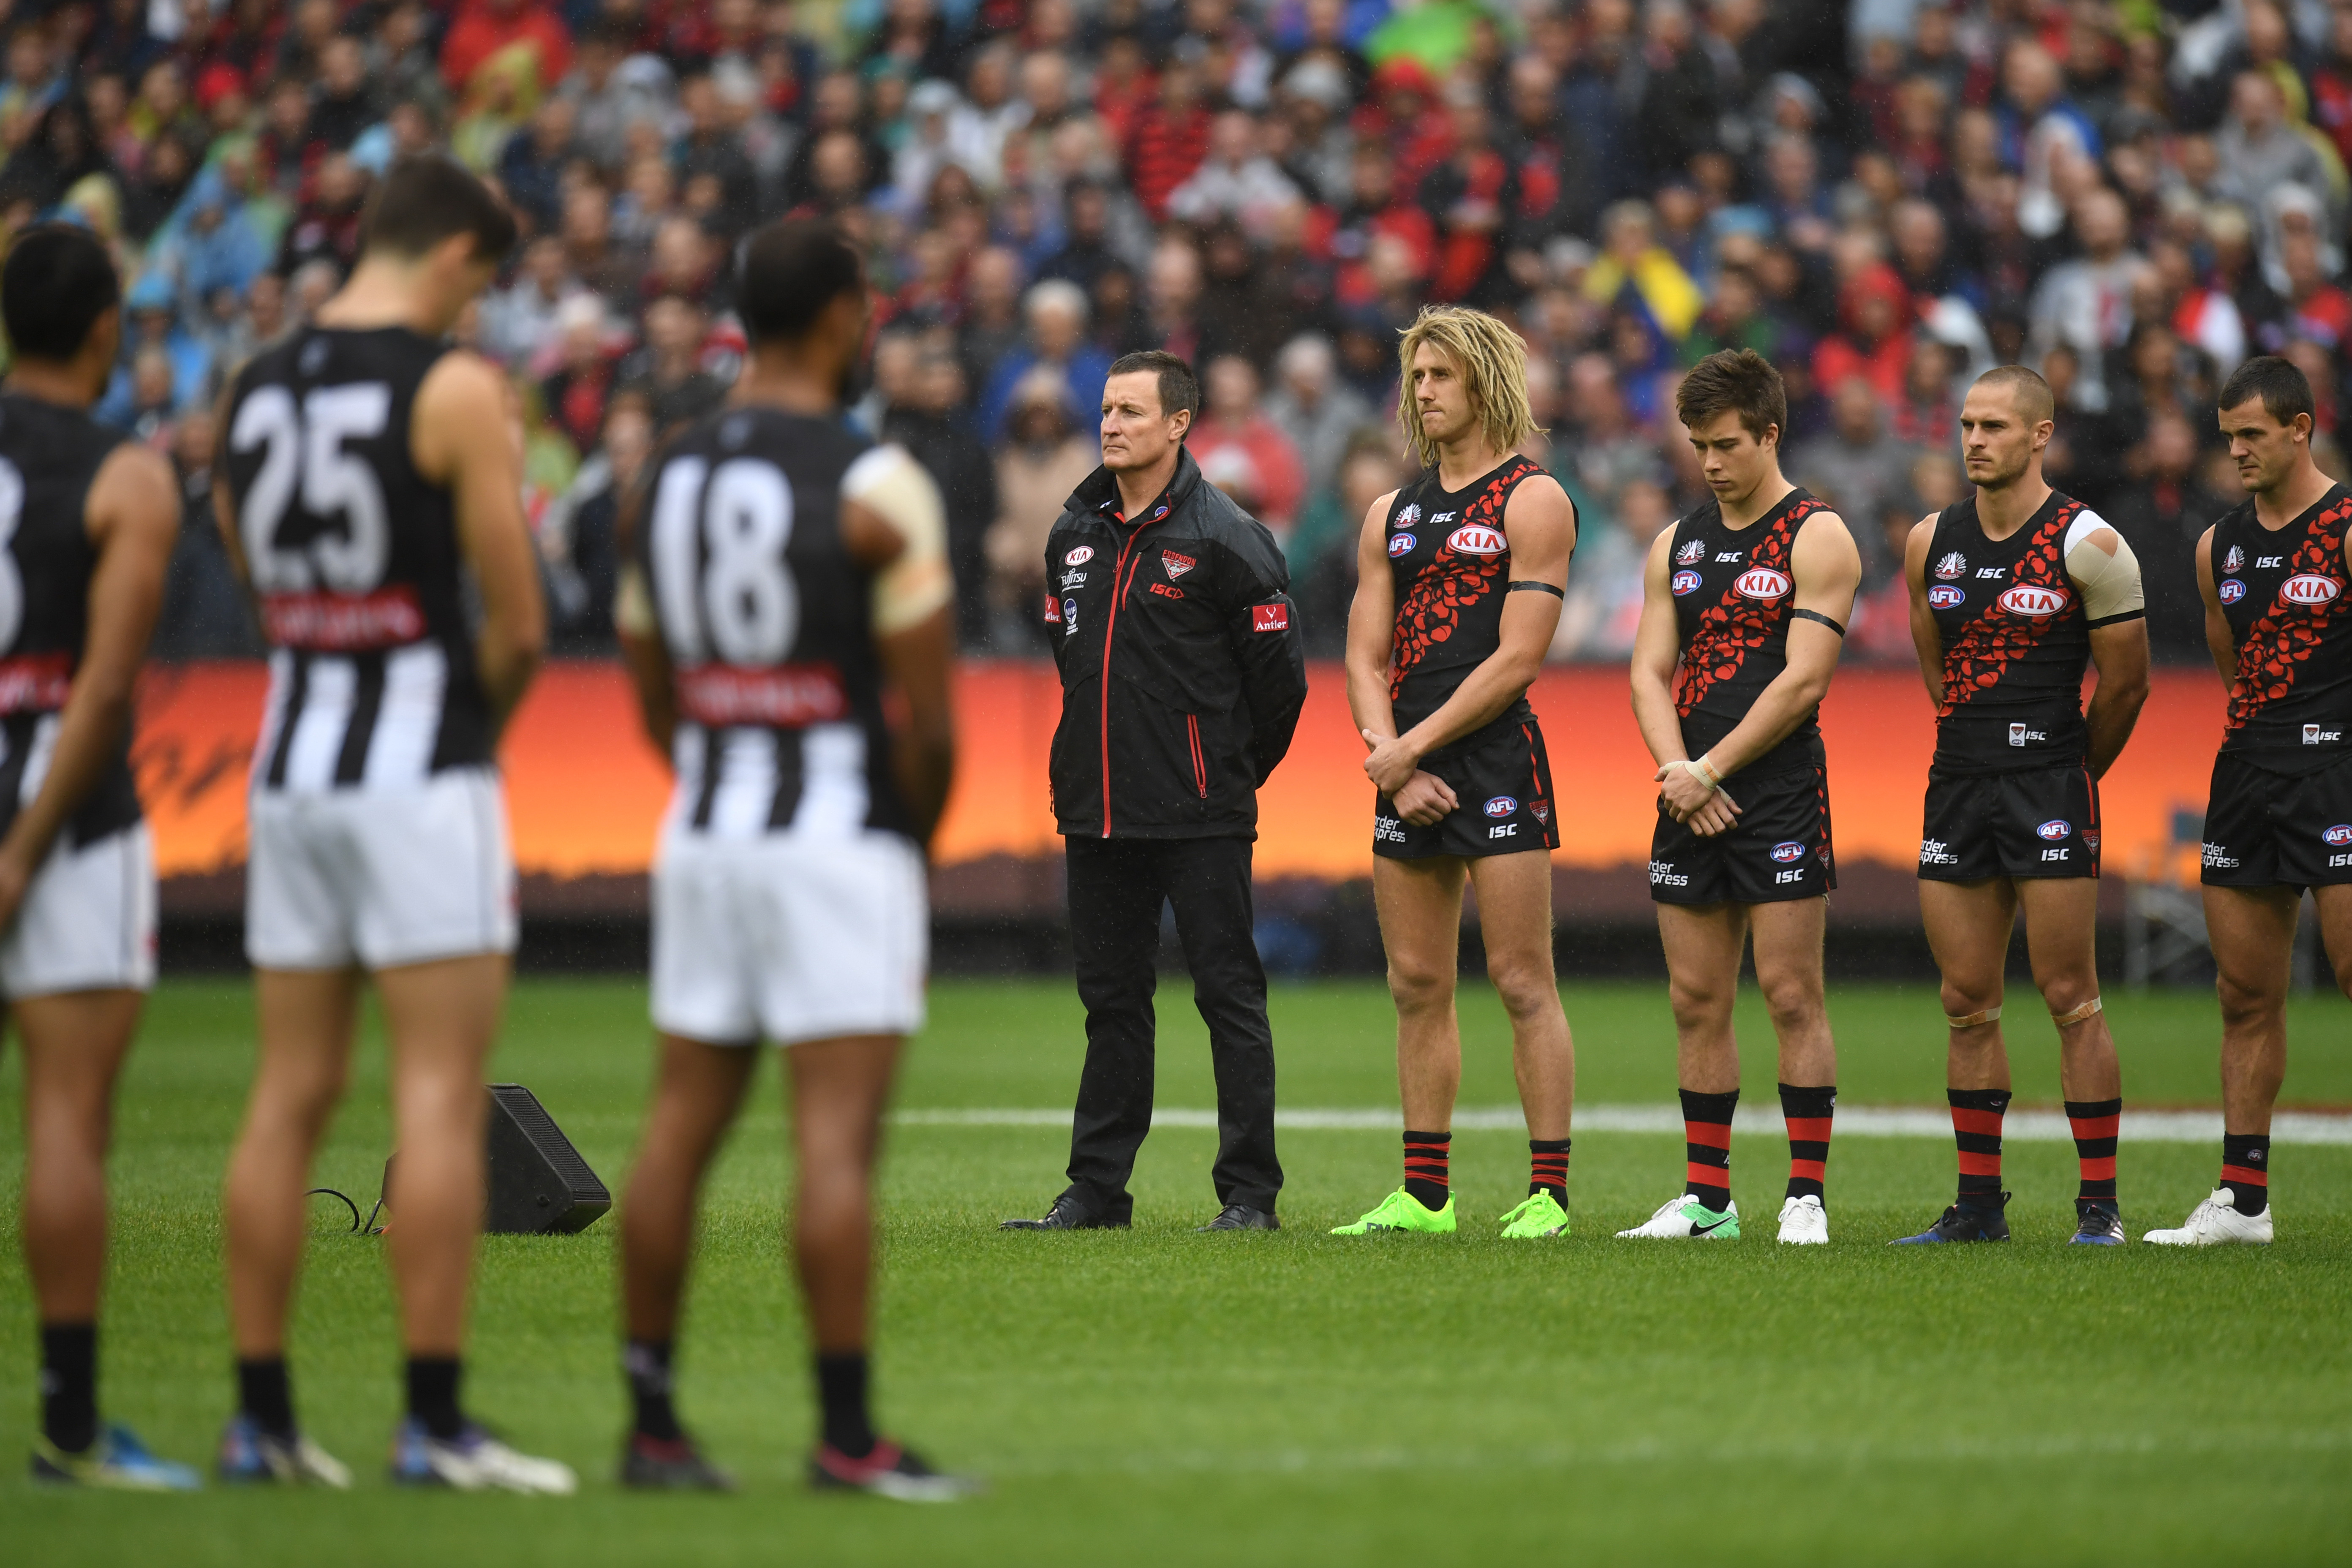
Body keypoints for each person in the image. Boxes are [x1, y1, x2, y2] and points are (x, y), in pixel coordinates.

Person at [212, 155, 567, 1490]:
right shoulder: (453, 387)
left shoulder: (252, 388)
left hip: (292, 765)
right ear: (454, 253)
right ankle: (433, 1425)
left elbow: (254, 578)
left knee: (286, 1095)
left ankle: (261, 1421)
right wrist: (466, 726)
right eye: (481, 277)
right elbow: (520, 619)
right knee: (433, 1092)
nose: (479, 307)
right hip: (421, 770)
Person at [612, 218, 972, 1497]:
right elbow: (932, 724)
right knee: (833, 1148)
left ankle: (651, 1428)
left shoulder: (666, 474)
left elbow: (651, 690)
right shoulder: (878, 483)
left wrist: (718, 769)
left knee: (676, 1133)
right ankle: (845, 1436)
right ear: (841, 317)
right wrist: (906, 844)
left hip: (708, 826)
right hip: (837, 837)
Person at [1001, 349, 1307, 1233]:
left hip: (1202, 813)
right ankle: (1097, 1190)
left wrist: (1221, 774)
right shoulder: (1073, 532)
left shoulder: (1229, 537)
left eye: (1131, 411)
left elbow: (1279, 687)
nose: (1110, 424)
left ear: (1180, 425)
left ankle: (1250, 1195)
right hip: (1096, 809)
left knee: (1229, 998)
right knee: (1112, 1004)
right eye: (1106, 409)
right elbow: (1070, 659)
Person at [0, 226, 188, 1488]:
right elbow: (104, 688)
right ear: (108, 330)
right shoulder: (128, 477)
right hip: (70, 828)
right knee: (67, 1119)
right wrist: (23, 852)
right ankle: (71, 1429)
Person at [1332, 305, 1579, 1239]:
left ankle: (1548, 1194)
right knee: (1416, 982)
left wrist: (1410, 747)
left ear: (1484, 381)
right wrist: (1392, 766)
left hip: (1497, 758)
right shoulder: (1390, 514)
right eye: (1417, 377)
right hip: (1405, 767)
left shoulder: (1533, 499)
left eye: (1440, 375)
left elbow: (1519, 659)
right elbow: (1362, 657)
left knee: (1523, 978)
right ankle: (1426, 1195)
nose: (1422, 391)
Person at [1890, 366, 2151, 1248]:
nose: (1974, 441)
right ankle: (1977, 1207)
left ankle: (2100, 1208)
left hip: (2048, 784)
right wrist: (1972, 732)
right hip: (1958, 782)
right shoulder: (1933, 539)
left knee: (2071, 994)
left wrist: (2072, 770)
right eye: (1966, 424)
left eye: (1994, 426)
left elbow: (2127, 684)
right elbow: (1934, 654)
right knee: (1965, 997)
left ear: (2040, 435)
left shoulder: (2090, 542)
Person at [1620, 349, 1861, 1244]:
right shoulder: (1675, 544)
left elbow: (1804, 682)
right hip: (1688, 793)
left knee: (1793, 991)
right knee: (1696, 997)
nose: (1710, 462)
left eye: (1726, 444)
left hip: (1779, 791)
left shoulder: (1818, 535)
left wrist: (1710, 770)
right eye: (1697, 446)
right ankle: (1709, 1201)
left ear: (1771, 432)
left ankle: (1805, 1194)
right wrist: (1679, 772)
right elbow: (1648, 671)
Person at [2146, 356, 2352, 1245]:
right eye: (2228, 436)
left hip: (2337, 774)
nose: (2235, 452)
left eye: (2253, 435)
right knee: (2243, 993)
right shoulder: (2218, 545)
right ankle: (2243, 1201)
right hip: (2246, 776)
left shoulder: (2347, 526)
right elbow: (2236, 664)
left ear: (2301, 428)